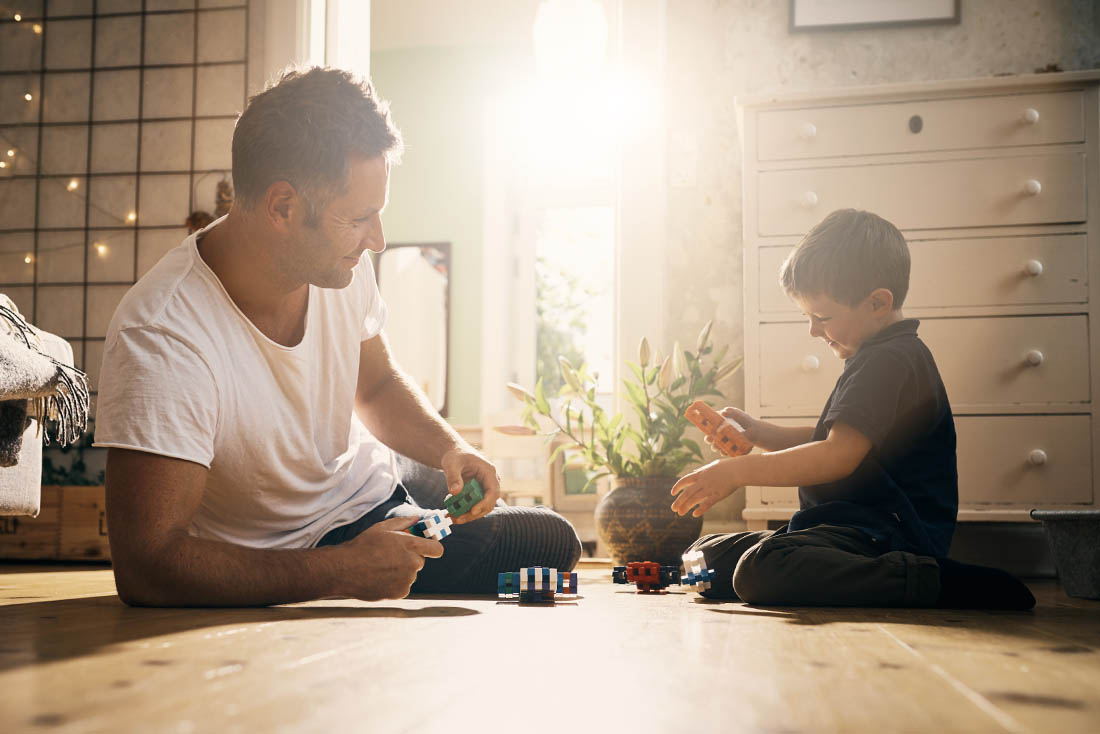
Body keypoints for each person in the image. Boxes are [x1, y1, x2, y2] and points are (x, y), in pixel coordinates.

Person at [94, 67, 581, 606]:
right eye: (360, 218)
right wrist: (340, 572)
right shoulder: (163, 333)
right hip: (303, 543)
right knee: (549, 537)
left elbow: (373, 388)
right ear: (283, 206)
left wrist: (452, 447)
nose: (377, 240)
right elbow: (147, 567)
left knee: (492, 504)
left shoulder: (338, 263)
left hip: (366, 474)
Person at [671, 209, 1034, 610]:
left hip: (886, 534)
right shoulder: (878, 355)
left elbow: (837, 456)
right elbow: (834, 440)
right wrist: (758, 433)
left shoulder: (891, 361)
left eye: (822, 317)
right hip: (840, 528)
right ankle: (802, 562)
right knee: (702, 557)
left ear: (878, 303)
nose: (812, 330)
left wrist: (736, 472)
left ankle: (930, 578)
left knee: (762, 568)